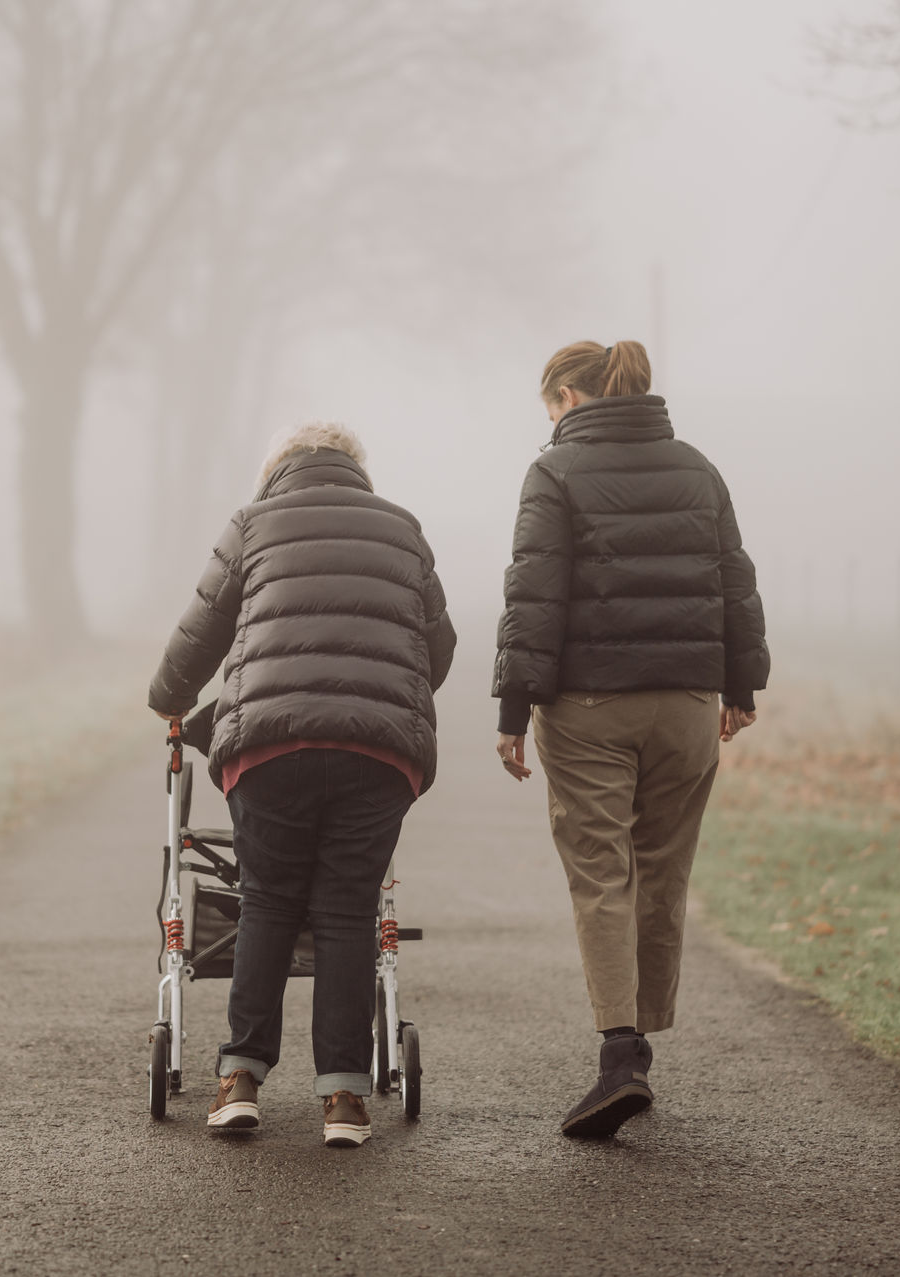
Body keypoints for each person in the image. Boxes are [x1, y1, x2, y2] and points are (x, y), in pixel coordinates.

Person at [149, 422, 455, 1148]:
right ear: (355, 470)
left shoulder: (253, 523)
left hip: (270, 747)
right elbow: (436, 646)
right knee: (348, 910)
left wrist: (169, 697)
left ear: (276, 473)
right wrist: (386, 695)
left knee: (269, 900)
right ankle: (345, 1098)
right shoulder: (403, 529)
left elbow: (203, 629)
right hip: (378, 752)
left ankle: (239, 1080)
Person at [492, 340, 768, 1138]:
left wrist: (513, 711)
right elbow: (735, 579)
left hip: (588, 705)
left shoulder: (554, 473)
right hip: (687, 701)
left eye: (549, 408)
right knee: (662, 869)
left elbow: (533, 594)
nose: (547, 425)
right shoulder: (697, 467)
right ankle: (641, 1039)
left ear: (570, 398)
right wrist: (741, 687)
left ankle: (621, 1053)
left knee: (600, 869)